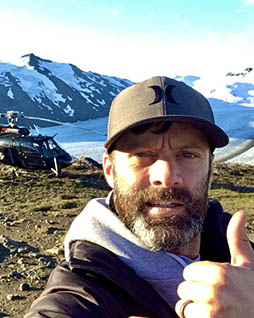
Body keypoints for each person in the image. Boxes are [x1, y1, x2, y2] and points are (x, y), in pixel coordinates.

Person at [24, 76, 254, 318]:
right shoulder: (82, 288)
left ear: (210, 171)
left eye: (187, 154)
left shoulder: (242, 257)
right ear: (110, 171)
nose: (166, 177)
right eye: (142, 154)